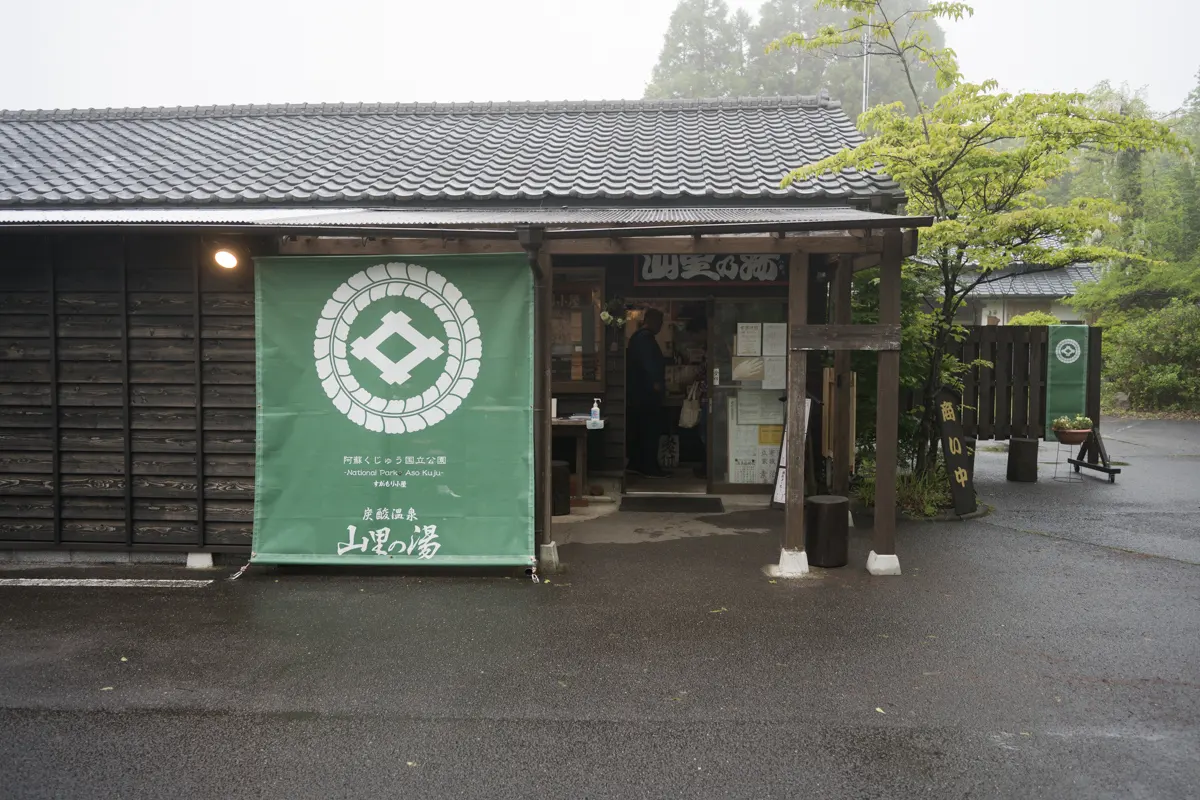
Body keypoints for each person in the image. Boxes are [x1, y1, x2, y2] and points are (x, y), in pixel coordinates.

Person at [626, 308, 667, 477]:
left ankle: (637, 463)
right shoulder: (645, 339)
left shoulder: (637, 338)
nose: (661, 326)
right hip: (646, 394)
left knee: (639, 430)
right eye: (660, 322)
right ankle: (648, 466)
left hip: (637, 394)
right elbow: (650, 364)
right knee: (649, 431)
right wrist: (657, 383)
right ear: (651, 321)